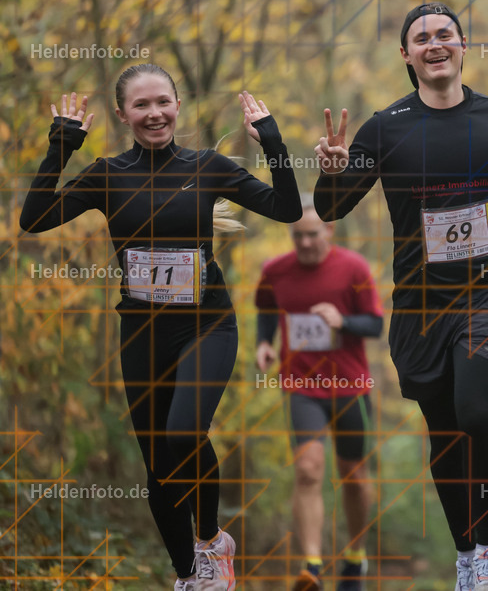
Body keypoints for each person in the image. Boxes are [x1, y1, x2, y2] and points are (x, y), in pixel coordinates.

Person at [312, 2, 488, 591]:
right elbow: (333, 207)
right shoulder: (385, 128)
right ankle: (467, 555)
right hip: (419, 305)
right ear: (406, 56)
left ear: (463, 46)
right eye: (421, 38)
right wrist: (332, 171)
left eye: (445, 34)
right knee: (443, 431)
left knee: (477, 412)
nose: (434, 44)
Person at [19, 65, 303, 591]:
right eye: (142, 106)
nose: (155, 114)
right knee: (158, 467)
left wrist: (274, 144)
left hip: (206, 324)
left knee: (183, 433)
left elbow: (286, 208)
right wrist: (61, 148)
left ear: (178, 104)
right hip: (142, 332)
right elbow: (34, 219)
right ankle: (188, 576)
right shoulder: (106, 174)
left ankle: (212, 541)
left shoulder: (208, 167)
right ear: (124, 114)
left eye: (163, 102)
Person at [255, 199, 384, 591]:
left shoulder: (354, 268)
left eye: (312, 234)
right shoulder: (275, 271)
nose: (306, 243)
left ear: (329, 230)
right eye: (298, 236)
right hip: (301, 386)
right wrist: (264, 342)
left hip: (350, 387)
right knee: (308, 470)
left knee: (354, 476)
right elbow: (265, 308)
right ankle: (311, 565)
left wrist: (342, 320)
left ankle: (355, 558)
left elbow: (376, 325)